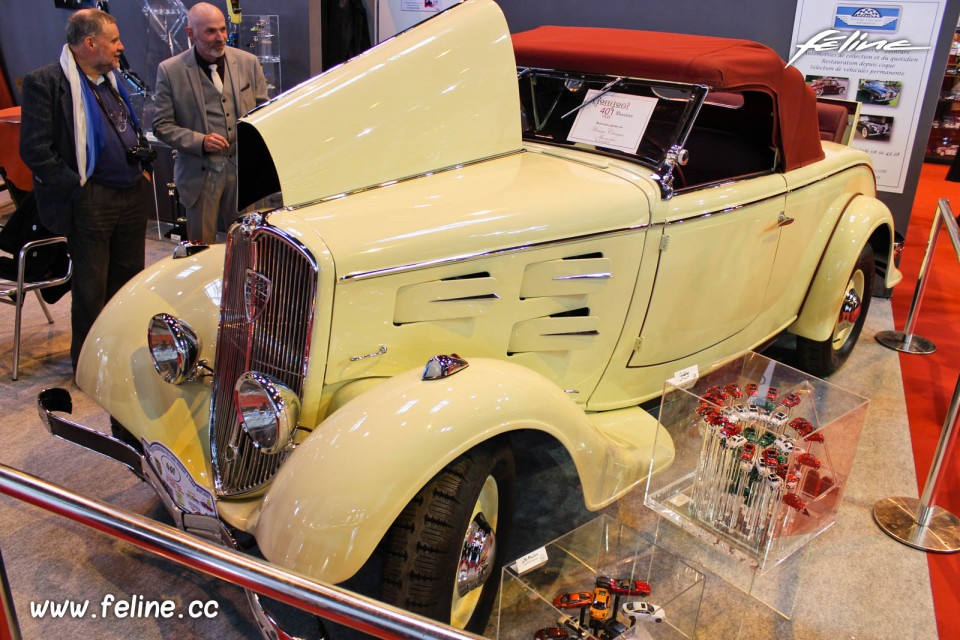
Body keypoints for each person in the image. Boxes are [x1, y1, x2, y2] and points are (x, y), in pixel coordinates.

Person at [19, 8, 152, 371]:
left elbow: (126, 126)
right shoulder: (46, 81)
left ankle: (121, 353)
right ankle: (90, 366)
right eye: (114, 40)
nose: (121, 47)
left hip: (130, 193)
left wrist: (140, 166)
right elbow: (34, 149)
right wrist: (77, 187)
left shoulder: (111, 78)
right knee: (91, 288)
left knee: (128, 281)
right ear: (89, 43)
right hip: (90, 199)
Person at [153, 2, 268, 244]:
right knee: (200, 247)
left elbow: (264, 112)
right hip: (200, 175)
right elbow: (162, 124)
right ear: (190, 33)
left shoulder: (248, 62)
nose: (221, 37)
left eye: (223, 29)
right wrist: (200, 141)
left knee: (248, 244)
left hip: (242, 172)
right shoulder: (170, 71)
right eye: (210, 32)